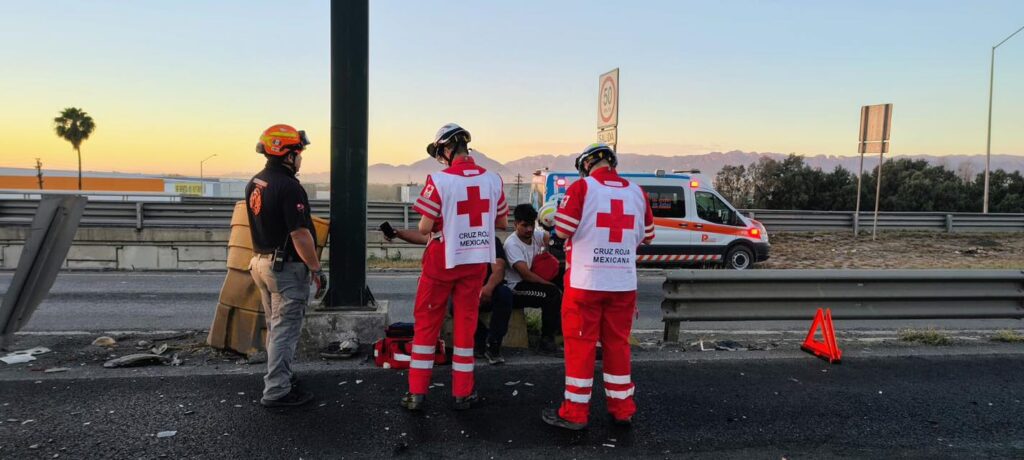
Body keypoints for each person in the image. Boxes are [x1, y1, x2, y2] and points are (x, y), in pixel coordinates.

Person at [542, 143, 655, 430]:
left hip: (586, 283)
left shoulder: (582, 189)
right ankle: (622, 409)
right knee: (617, 346)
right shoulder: (637, 192)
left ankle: (575, 413)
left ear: (586, 165)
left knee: (581, 348)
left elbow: (563, 230)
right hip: (623, 283)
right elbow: (648, 236)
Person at [402, 123, 508, 411]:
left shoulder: (439, 180)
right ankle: (463, 393)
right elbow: (501, 223)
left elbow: (425, 227)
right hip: (475, 262)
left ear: (447, 150)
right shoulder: (494, 180)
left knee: (426, 325)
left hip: (442, 260)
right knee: (466, 325)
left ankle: (416, 394)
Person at [245, 124, 328, 408]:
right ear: (288, 155)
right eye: (299, 152)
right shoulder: (290, 187)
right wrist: (315, 268)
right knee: (284, 329)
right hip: (285, 269)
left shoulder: (256, 182)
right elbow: (300, 234)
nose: (301, 157)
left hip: (260, 262)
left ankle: (281, 377)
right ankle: (277, 390)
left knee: (275, 326)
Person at [383, 229, 513, 365]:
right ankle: (482, 340)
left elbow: (499, 269)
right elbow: (422, 235)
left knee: (505, 294)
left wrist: (488, 288)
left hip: (486, 290)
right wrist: (397, 233)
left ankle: (494, 344)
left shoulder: (488, 238)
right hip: (464, 292)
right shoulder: (448, 236)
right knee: (456, 305)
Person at [503, 204, 562, 355]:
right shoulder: (512, 244)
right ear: (515, 224)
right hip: (516, 288)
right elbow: (526, 275)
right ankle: (546, 341)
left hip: (530, 282)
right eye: (524, 225)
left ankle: (563, 331)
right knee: (552, 294)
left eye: (531, 224)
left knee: (564, 278)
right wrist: (550, 285)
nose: (529, 229)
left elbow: (550, 238)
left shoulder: (535, 235)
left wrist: (553, 234)